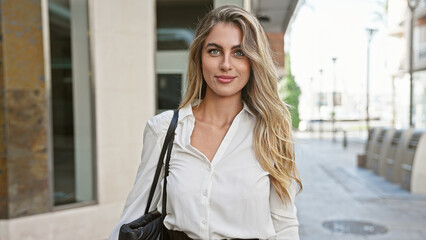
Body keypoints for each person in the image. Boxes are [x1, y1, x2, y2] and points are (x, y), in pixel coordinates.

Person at [110, 5, 302, 240]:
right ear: (199, 57)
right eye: (214, 51)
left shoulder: (270, 132)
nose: (226, 64)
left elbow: (285, 227)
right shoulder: (164, 130)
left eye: (239, 52)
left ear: (253, 62)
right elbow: (134, 213)